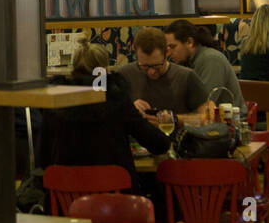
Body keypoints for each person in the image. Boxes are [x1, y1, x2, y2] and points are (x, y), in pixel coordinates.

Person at [40, 42, 170, 183]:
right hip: (114, 195)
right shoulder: (117, 99)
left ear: (74, 69)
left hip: (68, 196)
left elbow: (43, 157)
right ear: (105, 70)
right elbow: (159, 144)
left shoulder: (56, 103)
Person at [118, 27, 212, 116]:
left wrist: (175, 120)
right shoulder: (124, 74)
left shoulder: (186, 77)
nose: (151, 72)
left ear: (167, 52)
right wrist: (129, 109)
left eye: (156, 65)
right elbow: (107, 116)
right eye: (145, 66)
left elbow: (209, 117)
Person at [165, 20, 244, 111]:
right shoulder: (187, 61)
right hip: (208, 120)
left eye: (172, 47)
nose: (168, 53)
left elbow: (204, 104)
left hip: (231, 121)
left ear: (189, 42)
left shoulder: (211, 60)